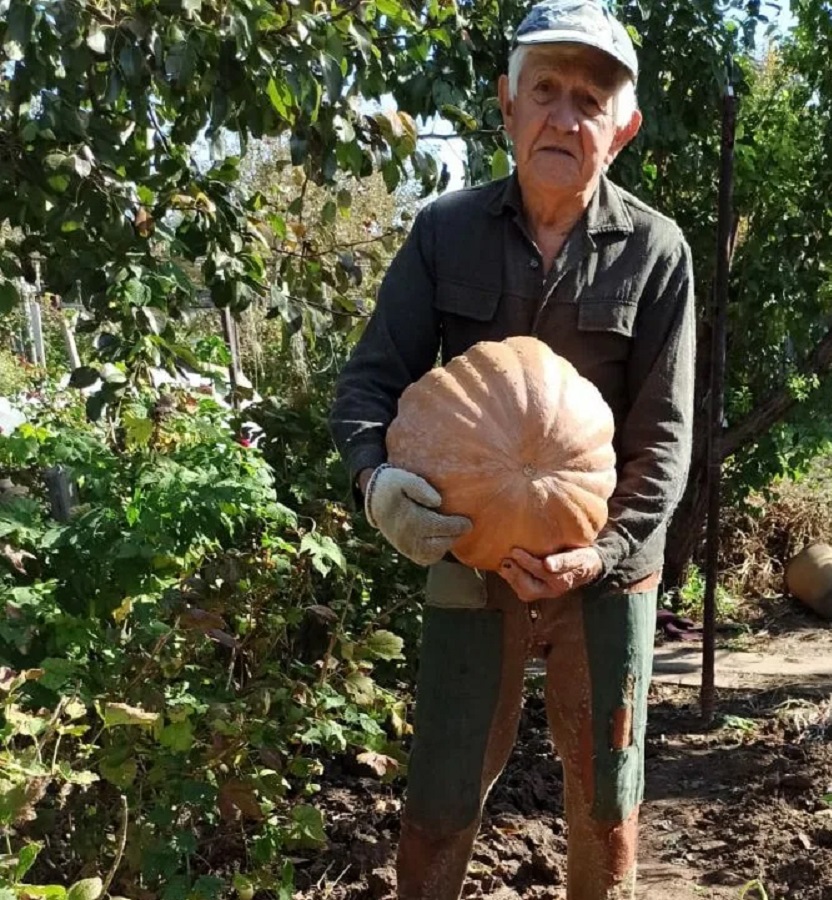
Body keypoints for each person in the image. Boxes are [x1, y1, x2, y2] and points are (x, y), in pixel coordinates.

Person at [328, 1, 695, 896]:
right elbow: (369, 384)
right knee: (442, 796)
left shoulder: (656, 252)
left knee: (607, 802)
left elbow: (666, 436)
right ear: (506, 103)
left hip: (603, 565)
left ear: (625, 125)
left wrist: (600, 555)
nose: (564, 116)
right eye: (544, 91)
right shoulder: (444, 231)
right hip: (472, 548)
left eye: (590, 98)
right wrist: (377, 481)